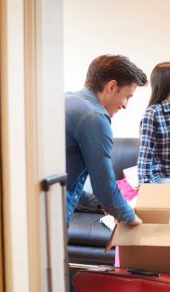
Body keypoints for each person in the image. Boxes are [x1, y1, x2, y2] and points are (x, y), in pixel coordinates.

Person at [65, 54, 147, 225]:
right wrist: (130, 217)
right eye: (127, 96)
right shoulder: (94, 118)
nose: (125, 105)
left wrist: (98, 203)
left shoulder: (68, 100)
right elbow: (104, 187)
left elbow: (67, 178)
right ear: (112, 86)